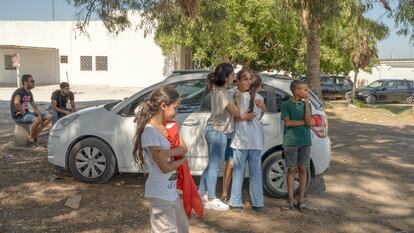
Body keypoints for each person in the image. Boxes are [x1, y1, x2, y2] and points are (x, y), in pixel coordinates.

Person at [198, 63, 255, 211]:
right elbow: (236, 113)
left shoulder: (218, 90)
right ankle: (211, 199)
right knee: (215, 167)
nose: (234, 77)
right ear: (226, 77)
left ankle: (201, 193)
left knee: (211, 165)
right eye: (232, 75)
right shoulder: (222, 94)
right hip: (218, 133)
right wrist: (236, 100)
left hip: (213, 130)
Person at [133, 86, 189, 233]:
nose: (177, 112)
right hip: (160, 194)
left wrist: (170, 152)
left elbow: (184, 148)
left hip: (171, 191)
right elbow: (165, 168)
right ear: (163, 106)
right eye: (176, 108)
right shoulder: (150, 132)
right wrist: (183, 160)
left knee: (183, 227)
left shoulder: (168, 126)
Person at [229, 73, 266, 212]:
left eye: (249, 80)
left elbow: (235, 117)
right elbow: (260, 116)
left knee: (239, 172)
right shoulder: (259, 98)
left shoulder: (237, 95)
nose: (247, 82)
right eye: (246, 79)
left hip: (242, 141)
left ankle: (235, 202)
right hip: (254, 140)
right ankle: (257, 202)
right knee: (255, 172)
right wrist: (263, 108)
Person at [280, 80, 313, 211]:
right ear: (297, 91)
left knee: (303, 169)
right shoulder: (285, 104)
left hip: (305, 141)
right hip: (291, 142)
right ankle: (290, 201)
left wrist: (306, 104)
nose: (307, 92)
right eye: (305, 89)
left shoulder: (307, 104)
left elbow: (309, 121)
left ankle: (301, 201)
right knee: (291, 169)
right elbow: (288, 123)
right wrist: (303, 122)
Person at [10, 74, 53, 143]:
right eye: (32, 81)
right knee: (37, 120)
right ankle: (30, 136)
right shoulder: (20, 91)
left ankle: (36, 133)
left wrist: (39, 115)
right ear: (25, 82)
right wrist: (22, 112)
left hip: (27, 114)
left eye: (33, 81)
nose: (34, 83)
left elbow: (34, 106)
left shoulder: (29, 93)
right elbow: (16, 102)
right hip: (19, 116)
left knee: (49, 116)